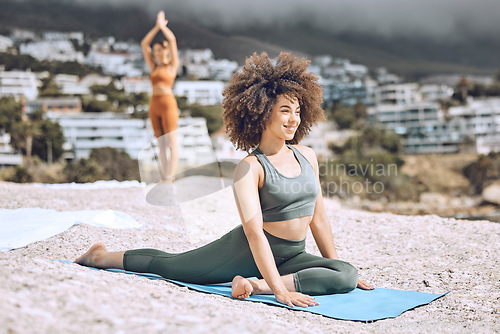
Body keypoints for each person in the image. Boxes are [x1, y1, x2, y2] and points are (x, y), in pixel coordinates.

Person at [75, 52, 374, 308]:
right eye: (285, 111)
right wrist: (281, 291)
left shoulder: (307, 156)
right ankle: (100, 257)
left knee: (346, 274)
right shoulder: (250, 168)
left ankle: (255, 286)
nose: (293, 119)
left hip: (292, 255)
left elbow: (318, 218)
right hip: (242, 254)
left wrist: (333, 265)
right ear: (262, 113)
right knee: (169, 265)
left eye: (297, 111)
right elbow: (255, 233)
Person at [142, 10, 179, 183]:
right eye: (155, 51)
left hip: (168, 104)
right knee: (161, 145)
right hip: (154, 104)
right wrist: (155, 27)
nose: (156, 53)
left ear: (166, 51)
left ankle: (171, 176)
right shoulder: (154, 67)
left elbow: (172, 40)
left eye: (159, 50)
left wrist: (162, 27)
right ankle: (165, 177)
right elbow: (144, 44)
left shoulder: (172, 66)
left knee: (171, 143)